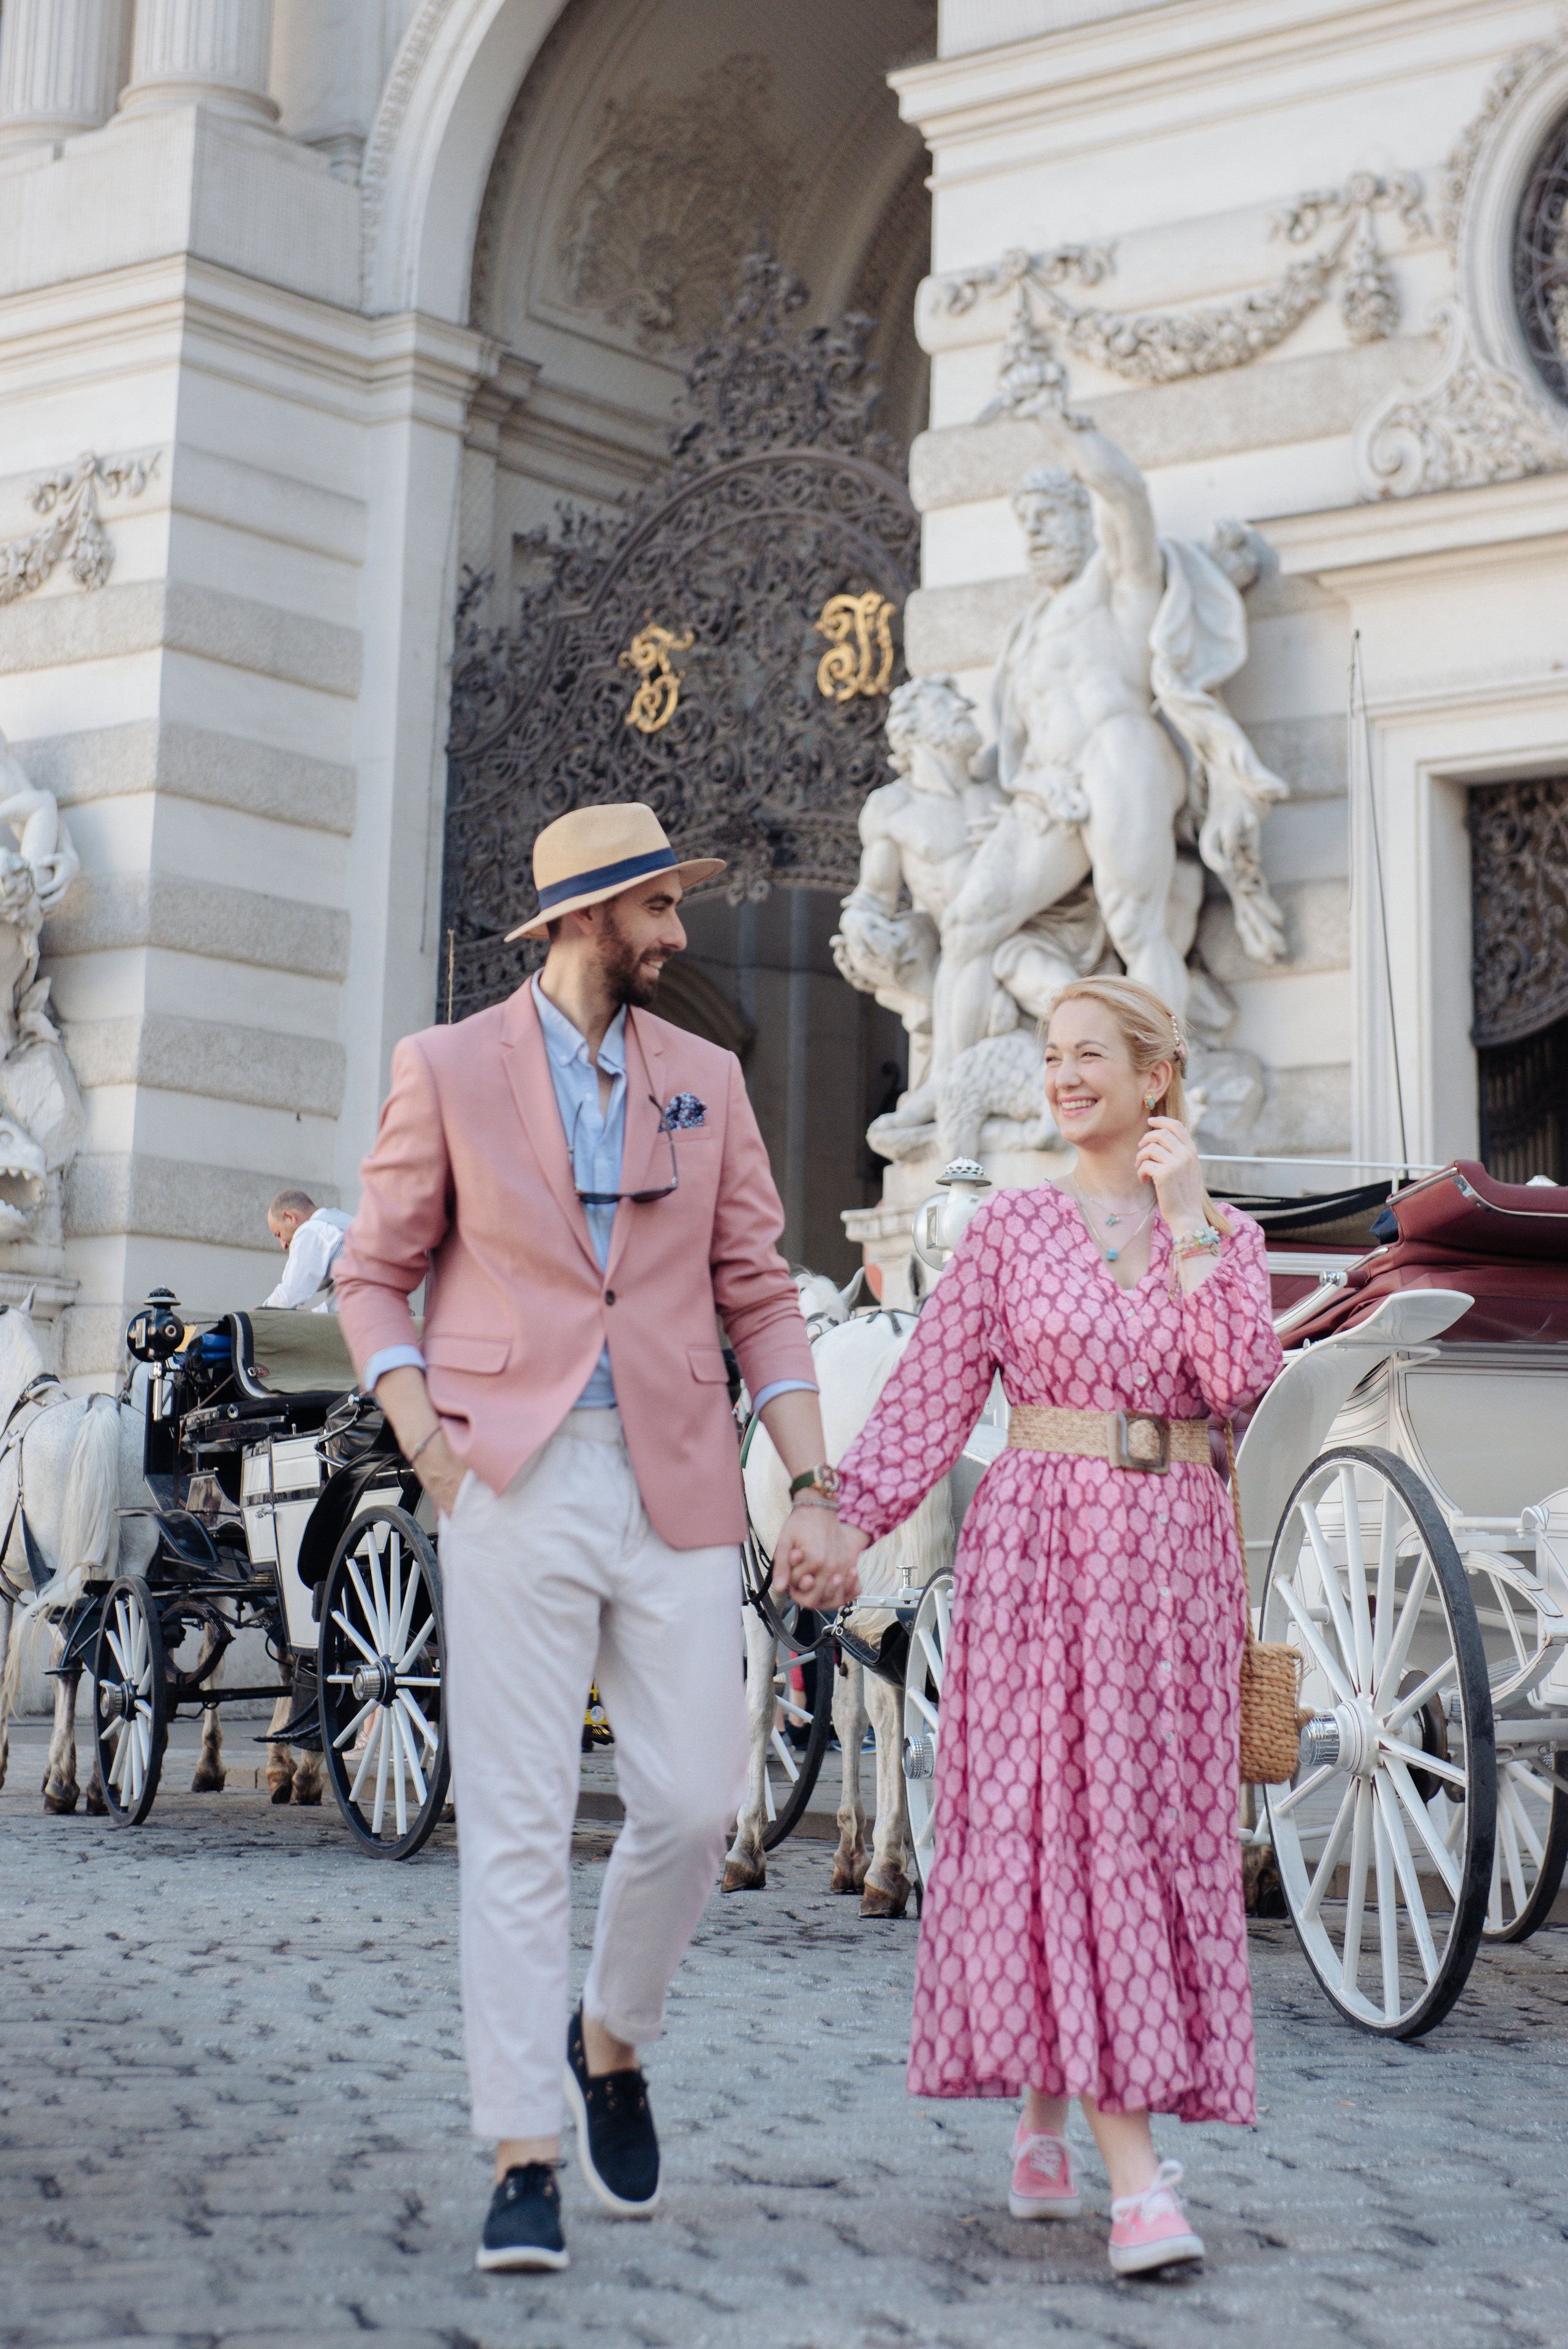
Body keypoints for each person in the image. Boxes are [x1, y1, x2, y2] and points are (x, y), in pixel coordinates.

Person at [333, 801, 852, 2277]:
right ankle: (522, 2152)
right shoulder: (444, 1068)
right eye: (656, 908)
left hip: (678, 1474)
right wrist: (433, 1449)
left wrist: (812, 1482)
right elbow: (373, 1275)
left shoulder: (706, 1078)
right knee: (514, 1820)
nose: (678, 932)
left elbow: (758, 1288)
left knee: (694, 1802)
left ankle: (610, 2033)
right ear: (582, 918)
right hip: (508, 1477)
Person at [772, 975, 1283, 2278]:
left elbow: (1237, 1387)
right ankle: (1136, 2178)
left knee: (1136, 1841)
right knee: (1068, 1830)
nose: (1061, 1076)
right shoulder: (1008, 1229)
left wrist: (1186, 1220)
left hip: (1173, 1572)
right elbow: (930, 1397)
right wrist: (841, 1518)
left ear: (1155, 1076)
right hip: (1040, 1561)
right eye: (1053, 1055)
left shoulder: (1224, 1234)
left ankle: (1044, 2117)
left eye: (1088, 1054)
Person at [261, 1190, 353, 1310]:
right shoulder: (341, 1222)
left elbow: (290, 1294)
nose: (283, 1245)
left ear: (290, 1217)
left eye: (279, 1234)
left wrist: (256, 1316)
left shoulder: (311, 1229)